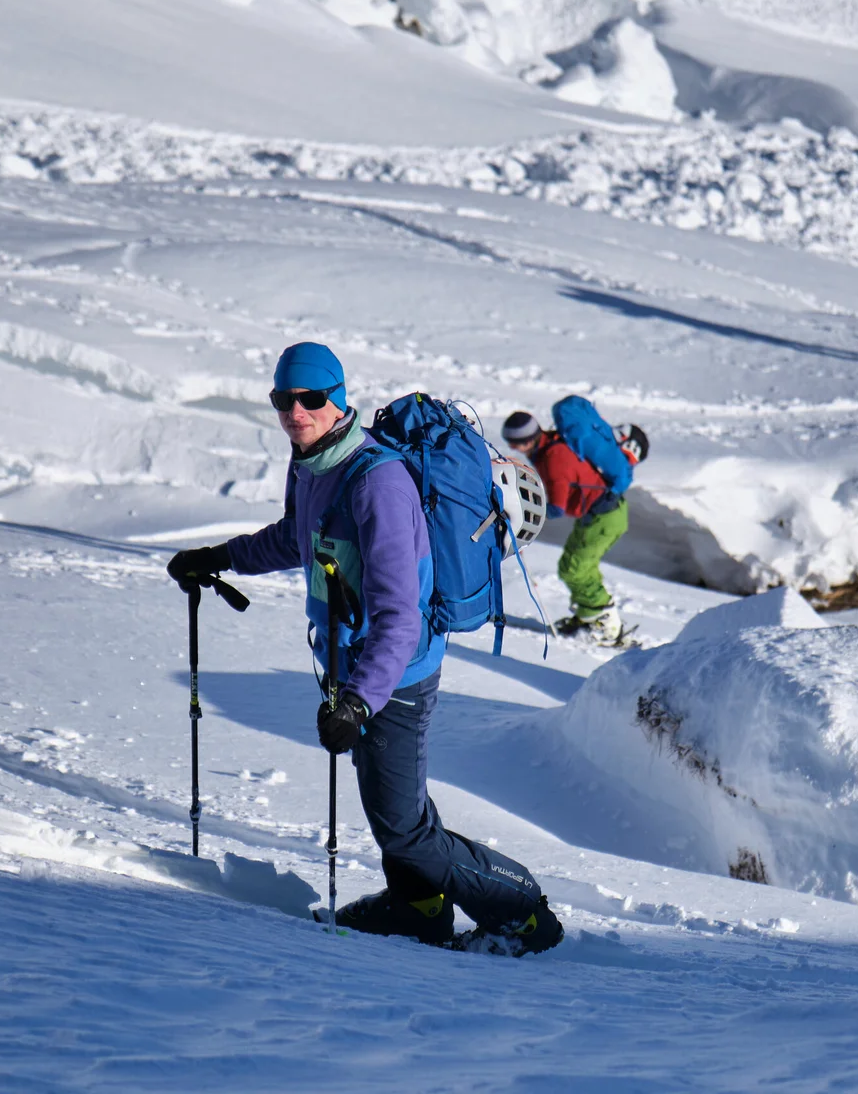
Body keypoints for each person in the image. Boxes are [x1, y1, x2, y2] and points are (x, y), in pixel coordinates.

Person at [167, 342, 563, 955]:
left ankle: (523, 911)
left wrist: (358, 702)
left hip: (395, 677)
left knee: (404, 827)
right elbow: (297, 539)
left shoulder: (377, 483)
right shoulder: (311, 463)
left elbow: (400, 619)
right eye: (283, 400)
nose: (295, 412)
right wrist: (221, 558)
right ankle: (418, 907)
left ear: (338, 398)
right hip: (358, 672)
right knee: (393, 806)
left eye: (310, 399)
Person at [500, 398, 634, 647]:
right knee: (573, 565)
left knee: (576, 568)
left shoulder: (553, 458)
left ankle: (607, 625)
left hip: (605, 516)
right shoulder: (550, 445)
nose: (513, 447)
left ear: (528, 439)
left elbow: (557, 507)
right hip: (602, 513)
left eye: (515, 442)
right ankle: (588, 617)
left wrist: (520, 510)